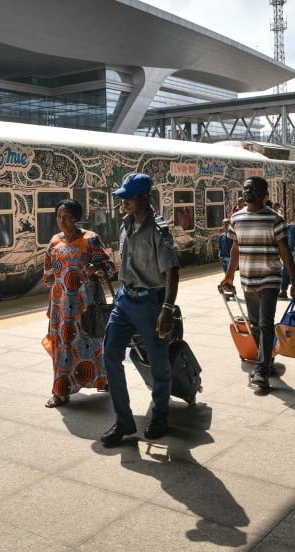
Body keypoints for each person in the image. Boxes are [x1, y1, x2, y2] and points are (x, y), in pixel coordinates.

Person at [100, 173, 180, 447]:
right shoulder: (124, 225)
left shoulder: (158, 230)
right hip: (124, 300)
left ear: (144, 197)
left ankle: (159, 415)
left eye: (128, 196)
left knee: (159, 364)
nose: (123, 201)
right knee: (109, 355)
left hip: (150, 302)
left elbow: (172, 272)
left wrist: (166, 309)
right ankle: (124, 421)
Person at [219, 176, 295, 390]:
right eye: (246, 188)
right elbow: (235, 249)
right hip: (247, 279)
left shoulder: (275, 219)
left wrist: (293, 281)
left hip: (269, 279)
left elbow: (285, 251)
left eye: (253, 188)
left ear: (264, 193)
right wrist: (229, 276)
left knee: (265, 323)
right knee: (255, 325)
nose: (247, 191)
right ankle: (267, 359)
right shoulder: (236, 219)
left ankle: (261, 370)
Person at [42, 199, 115, 407]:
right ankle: (61, 391)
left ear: (77, 218)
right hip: (62, 307)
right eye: (59, 216)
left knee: (94, 342)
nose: (62, 221)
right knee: (63, 347)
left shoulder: (91, 239)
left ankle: (103, 380)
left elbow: (109, 267)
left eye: (67, 217)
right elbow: (49, 276)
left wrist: (97, 268)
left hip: (87, 304)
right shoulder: (54, 242)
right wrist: (51, 306)